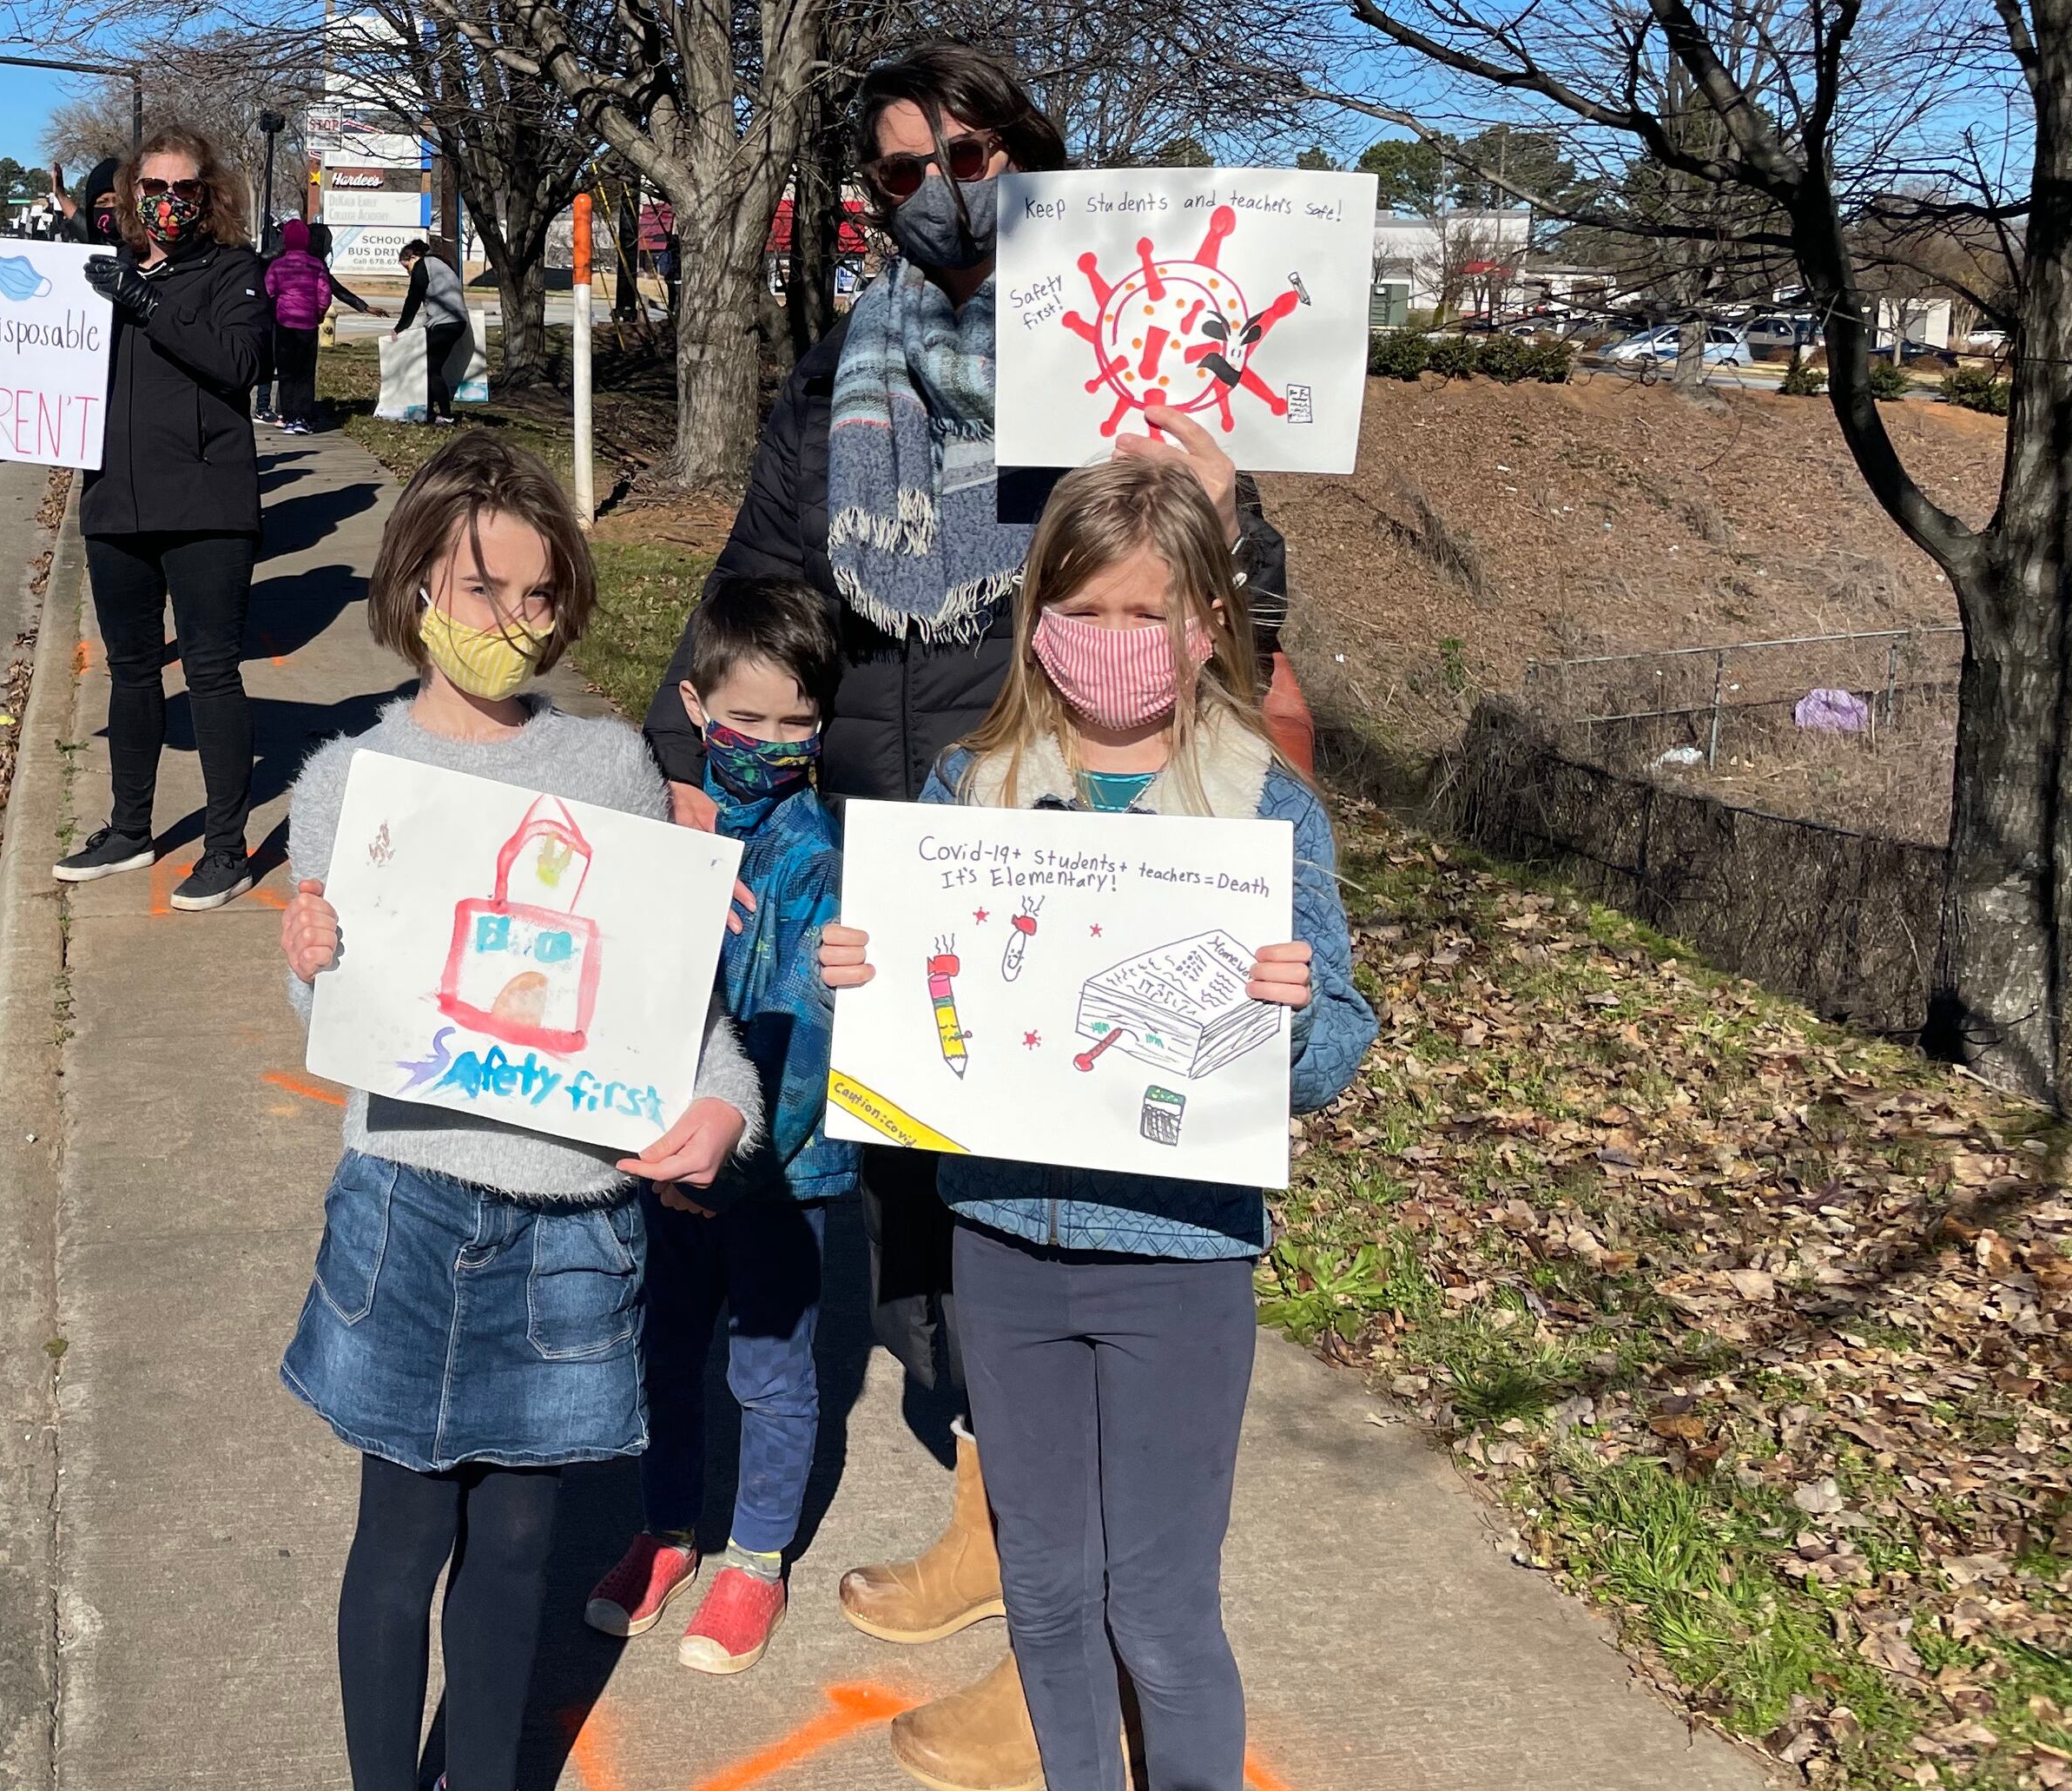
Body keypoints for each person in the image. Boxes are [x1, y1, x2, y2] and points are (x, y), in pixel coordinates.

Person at [815, 452, 1375, 1791]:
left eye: (1151, 616)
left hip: (1180, 1265)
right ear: (1038, 619)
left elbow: (1338, 1046)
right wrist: (858, 980)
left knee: (1164, 1610)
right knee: (1051, 1594)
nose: (1117, 645)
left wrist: (1288, 1017)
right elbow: (905, 1036)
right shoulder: (969, 797)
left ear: (1208, 629)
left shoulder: (1269, 812)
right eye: (1088, 611)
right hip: (1004, 1254)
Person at [279, 433, 764, 1791]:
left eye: (539, 596)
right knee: (399, 1542)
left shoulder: (610, 771)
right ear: (415, 585)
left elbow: (679, 1019)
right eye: (480, 588)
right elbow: (345, 1030)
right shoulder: (342, 790)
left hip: (573, 1231)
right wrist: (306, 960)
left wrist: (725, 1111)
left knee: (516, 1553)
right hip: (407, 1215)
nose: (510, 621)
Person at [587, 575, 855, 1676]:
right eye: (747, 719)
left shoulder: (819, 864)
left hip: (781, 1177)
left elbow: (810, 1043)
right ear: (698, 709)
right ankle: (668, 1528)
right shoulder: (656, 830)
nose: (772, 742)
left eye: (799, 724)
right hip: (663, 1168)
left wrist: (730, 1167)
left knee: (771, 1369)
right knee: (663, 1348)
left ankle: (755, 1557)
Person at [53, 122, 273, 910]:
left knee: (211, 672)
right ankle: (129, 829)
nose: (171, 202)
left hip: (208, 505)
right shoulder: (94, 277)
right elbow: (42, 380)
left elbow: (243, 362)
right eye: (156, 189)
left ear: (206, 195)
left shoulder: (231, 271)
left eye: (186, 189)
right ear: (130, 197)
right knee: (131, 669)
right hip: (117, 502)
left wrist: (147, 305)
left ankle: (225, 848)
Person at [265, 218, 375, 431]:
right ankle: (303, 419)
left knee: (287, 372)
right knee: (306, 372)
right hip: (307, 324)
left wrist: (276, 311)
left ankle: (287, 416)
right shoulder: (316, 265)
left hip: (284, 323)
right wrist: (318, 314)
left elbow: (269, 291)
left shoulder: (277, 265)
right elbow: (325, 294)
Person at [396, 235, 472, 420]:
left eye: (406, 267)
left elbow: (413, 298)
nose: (408, 273)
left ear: (413, 257)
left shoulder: (423, 266)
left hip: (445, 324)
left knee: (430, 370)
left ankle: (446, 416)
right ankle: (428, 412)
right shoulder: (439, 263)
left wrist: (400, 327)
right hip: (455, 322)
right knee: (430, 368)